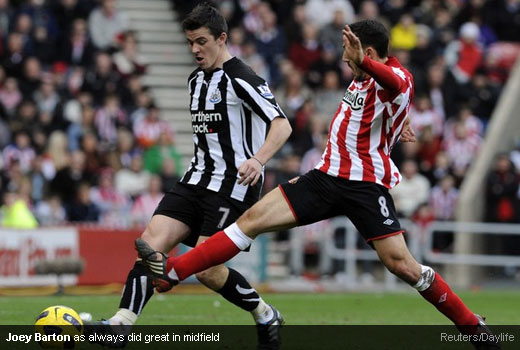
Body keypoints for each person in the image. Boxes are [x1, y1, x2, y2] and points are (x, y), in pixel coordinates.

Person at [136, 20, 500, 350]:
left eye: (350, 55)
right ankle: (172, 272)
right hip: (324, 179)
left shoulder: (395, 76)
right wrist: (395, 121)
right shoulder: (360, 81)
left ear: (367, 52)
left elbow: (393, 85)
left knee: (403, 266)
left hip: (363, 187)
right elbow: (375, 113)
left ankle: (473, 327)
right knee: (250, 221)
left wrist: (374, 75)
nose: (345, 61)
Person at [86, 4, 292, 350]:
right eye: (190, 43)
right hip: (194, 180)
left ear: (221, 38)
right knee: (149, 245)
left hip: (232, 186)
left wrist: (258, 159)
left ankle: (264, 312)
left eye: (201, 41)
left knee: (207, 270)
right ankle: (121, 325)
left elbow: (282, 124)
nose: (195, 49)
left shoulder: (242, 77)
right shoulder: (195, 80)